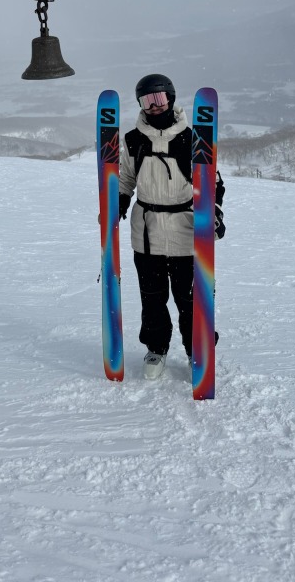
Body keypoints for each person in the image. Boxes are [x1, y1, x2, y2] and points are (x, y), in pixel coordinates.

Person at [118, 73, 225, 380]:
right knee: (152, 296)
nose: (153, 107)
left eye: (159, 100)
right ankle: (156, 347)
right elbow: (126, 178)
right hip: (147, 232)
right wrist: (120, 203)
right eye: (146, 102)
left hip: (185, 230)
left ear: (171, 99)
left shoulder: (192, 139)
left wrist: (214, 213)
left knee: (190, 298)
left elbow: (212, 182)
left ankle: (198, 349)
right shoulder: (133, 140)